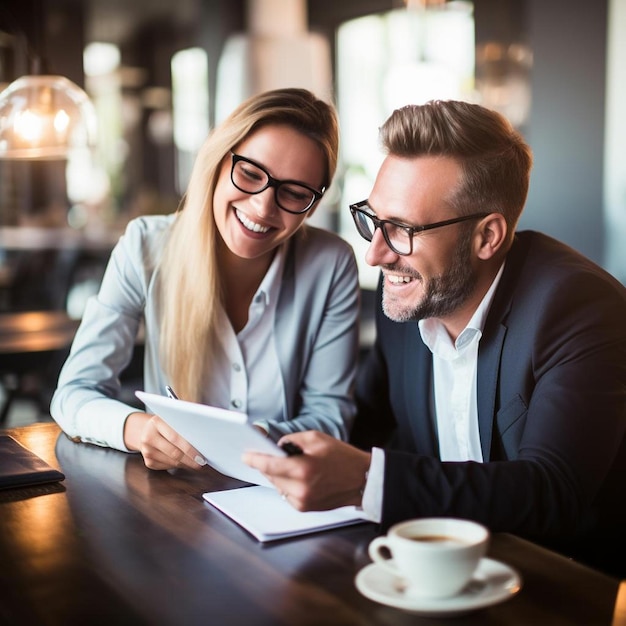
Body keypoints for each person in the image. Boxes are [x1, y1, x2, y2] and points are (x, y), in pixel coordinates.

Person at [244, 99, 626, 575]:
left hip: (565, 587)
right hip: (435, 571)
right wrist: (263, 446)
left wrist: (367, 479)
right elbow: (366, 425)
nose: (377, 255)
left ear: (487, 237)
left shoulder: (578, 306)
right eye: (374, 221)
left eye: (402, 230)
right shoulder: (407, 297)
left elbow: (552, 491)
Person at [51, 88, 360, 471]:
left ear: (312, 204)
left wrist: (253, 439)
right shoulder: (146, 247)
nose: (263, 207)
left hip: (281, 495)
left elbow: (330, 419)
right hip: (172, 499)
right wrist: (137, 428)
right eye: (249, 173)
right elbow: (73, 395)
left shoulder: (331, 264)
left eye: (295, 193)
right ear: (219, 160)